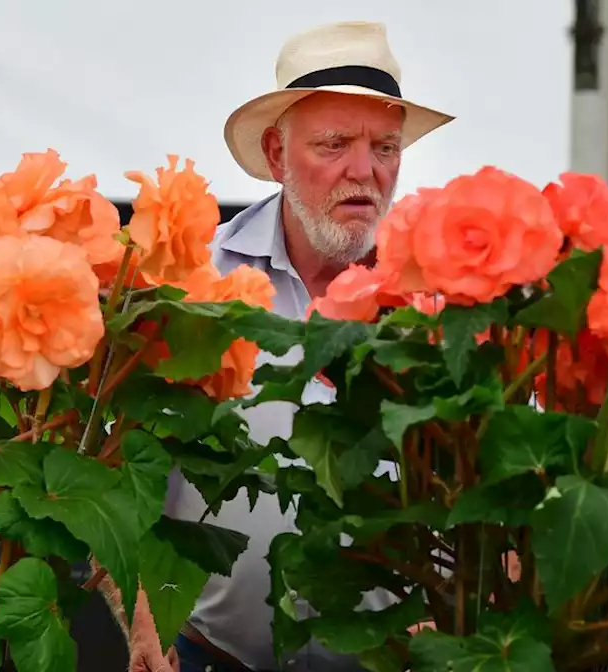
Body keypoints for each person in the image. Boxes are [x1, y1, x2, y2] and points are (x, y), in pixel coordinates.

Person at [128, 20, 455, 672]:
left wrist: (463, 597)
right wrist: (141, 611)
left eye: (384, 147)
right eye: (334, 144)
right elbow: (129, 462)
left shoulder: (444, 296)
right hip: (206, 657)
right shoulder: (197, 279)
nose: (364, 171)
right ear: (276, 155)